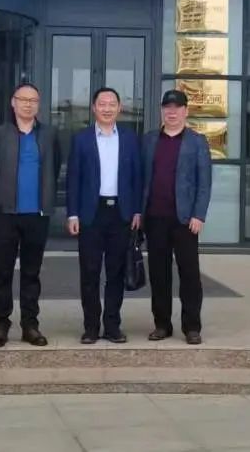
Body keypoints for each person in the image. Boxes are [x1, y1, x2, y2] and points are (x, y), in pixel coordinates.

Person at [66, 87, 143, 344]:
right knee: (89, 272)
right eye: (102, 104)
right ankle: (90, 327)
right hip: (91, 214)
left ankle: (112, 326)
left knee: (116, 273)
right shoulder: (82, 139)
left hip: (121, 214)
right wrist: (72, 214)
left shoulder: (130, 139)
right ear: (94, 108)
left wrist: (137, 210)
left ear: (119, 108)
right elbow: (73, 178)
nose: (107, 108)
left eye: (112, 104)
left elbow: (137, 177)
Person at [0, 82, 56, 348]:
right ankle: (0, 324)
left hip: (37, 214)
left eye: (33, 100)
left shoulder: (48, 135)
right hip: (6, 214)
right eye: (23, 99)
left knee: (31, 272)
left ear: (38, 105)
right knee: (3, 271)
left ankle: (30, 325)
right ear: (13, 103)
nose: (28, 104)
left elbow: (54, 165)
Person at [142, 89, 212, 345]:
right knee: (159, 275)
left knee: (189, 275)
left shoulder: (197, 141)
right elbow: (142, 178)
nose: (171, 112)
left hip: (185, 220)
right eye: (167, 107)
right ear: (162, 110)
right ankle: (162, 324)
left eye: (177, 107)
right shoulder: (149, 140)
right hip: (155, 218)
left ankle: (192, 327)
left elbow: (204, 182)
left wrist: (198, 214)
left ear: (185, 111)